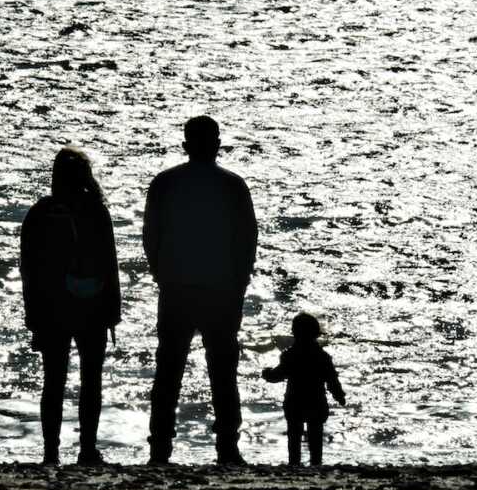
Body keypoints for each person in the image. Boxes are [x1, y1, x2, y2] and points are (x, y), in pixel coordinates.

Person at [143, 116, 258, 465]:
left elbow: (151, 236)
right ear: (217, 144)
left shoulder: (165, 183)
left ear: (186, 144)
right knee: (223, 371)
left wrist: (161, 274)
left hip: (177, 287)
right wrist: (239, 282)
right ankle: (227, 446)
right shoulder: (233, 185)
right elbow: (247, 240)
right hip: (220, 289)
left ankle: (160, 447)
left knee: (168, 370)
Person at [20, 148, 121, 466]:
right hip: (92, 305)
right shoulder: (96, 211)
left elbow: (29, 269)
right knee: (91, 380)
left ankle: (51, 452)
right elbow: (110, 264)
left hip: (51, 308)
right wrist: (113, 311)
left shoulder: (40, 212)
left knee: (53, 381)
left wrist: (32, 314)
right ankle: (87, 449)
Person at [262, 312, 346, 466]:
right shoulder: (323, 356)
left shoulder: (289, 356)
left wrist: (267, 374)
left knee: (294, 435)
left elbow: (278, 375)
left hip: (295, 401)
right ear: (315, 334)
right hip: (316, 401)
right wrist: (339, 396)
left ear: (295, 333)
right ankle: (316, 463)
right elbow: (332, 380)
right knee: (316, 435)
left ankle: (294, 463)